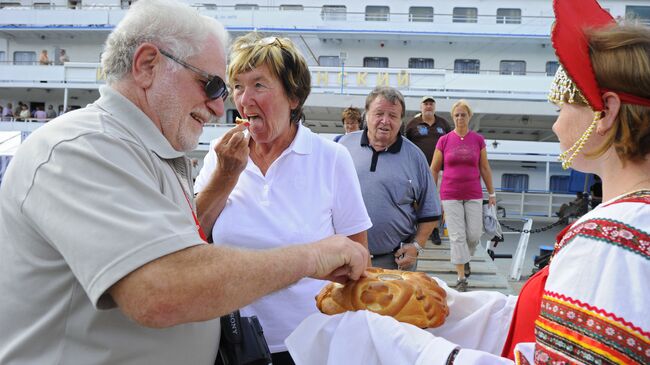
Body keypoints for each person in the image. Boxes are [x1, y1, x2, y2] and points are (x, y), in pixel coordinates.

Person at [0, 1, 369, 364]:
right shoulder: (82, 149)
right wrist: (311, 256)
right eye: (214, 85)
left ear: (293, 97)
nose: (220, 105)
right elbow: (159, 291)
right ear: (147, 66)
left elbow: (183, 250)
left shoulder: (152, 153)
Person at [286, 1, 650, 364]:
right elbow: (532, 321)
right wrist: (452, 304)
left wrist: (401, 347)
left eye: (562, 108)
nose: (555, 125)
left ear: (607, 112)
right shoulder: (625, 225)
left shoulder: (609, 242)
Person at [193, 32, 371, 365]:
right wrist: (226, 175)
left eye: (259, 85)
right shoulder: (220, 157)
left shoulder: (331, 158)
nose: (245, 99)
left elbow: (360, 258)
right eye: (238, 86)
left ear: (293, 97)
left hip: (312, 346)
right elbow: (191, 236)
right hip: (229, 344)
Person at [339, 86, 441, 271]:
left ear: (401, 121)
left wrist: (416, 246)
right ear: (366, 115)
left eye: (393, 116)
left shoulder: (415, 157)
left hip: (394, 264)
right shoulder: (341, 146)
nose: (385, 121)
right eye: (379, 113)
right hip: (344, 261)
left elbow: (431, 210)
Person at [430, 99, 496, 292]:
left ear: (469, 117)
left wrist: (491, 193)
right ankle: (461, 278)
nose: (460, 118)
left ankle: (465, 258)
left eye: (463, 114)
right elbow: (434, 169)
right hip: (450, 194)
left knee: (474, 234)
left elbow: (484, 167)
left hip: (473, 193)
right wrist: (433, 195)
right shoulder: (444, 140)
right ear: (453, 117)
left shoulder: (477, 140)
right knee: (457, 236)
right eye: (457, 115)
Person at [405, 96, 452, 245]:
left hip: (440, 170)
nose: (428, 106)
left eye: (431, 103)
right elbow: (406, 146)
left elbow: (450, 145)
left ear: (435, 107)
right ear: (421, 107)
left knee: (438, 201)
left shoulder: (443, 124)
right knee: (418, 200)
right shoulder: (413, 124)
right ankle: (417, 229)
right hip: (419, 170)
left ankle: (435, 230)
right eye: (426, 104)